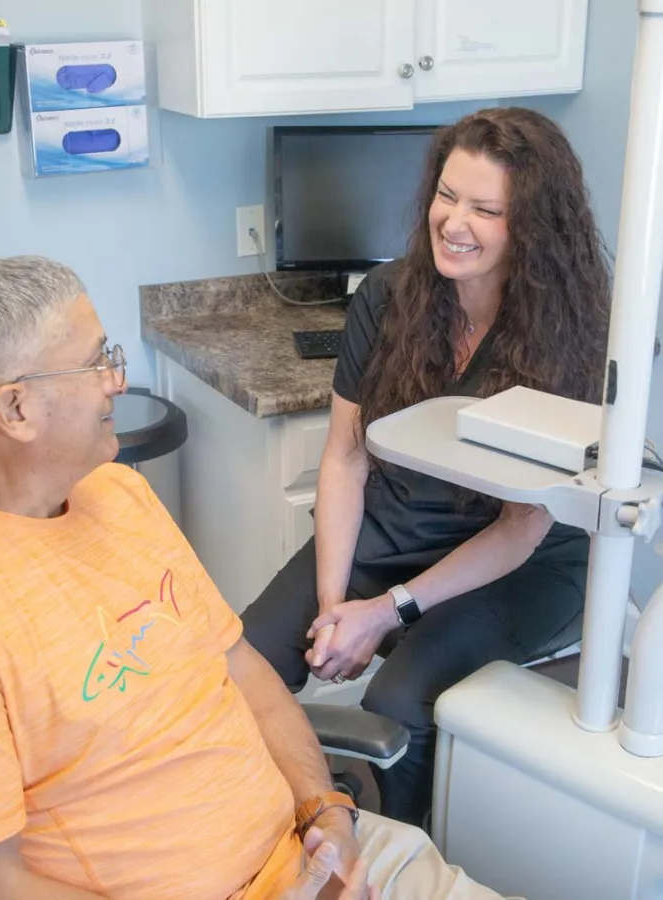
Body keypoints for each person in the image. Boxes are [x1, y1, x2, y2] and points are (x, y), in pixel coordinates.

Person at [0, 256, 511, 900]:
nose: (116, 379)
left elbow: (243, 671)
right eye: (94, 361)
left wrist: (329, 813)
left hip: (326, 858)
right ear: (15, 410)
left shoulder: (116, 494)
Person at [241, 107, 612, 828]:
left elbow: (520, 529)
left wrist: (387, 612)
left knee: (400, 705)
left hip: (522, 560)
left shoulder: (574, 333)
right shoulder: (388, 298)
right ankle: (257, 831)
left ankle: (399, 850)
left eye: (486, 209)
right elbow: (345, 459)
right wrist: (331, 609)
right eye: (447, 196)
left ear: (531, 226)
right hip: (397, 524)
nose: (454, 222)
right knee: (244, 660)